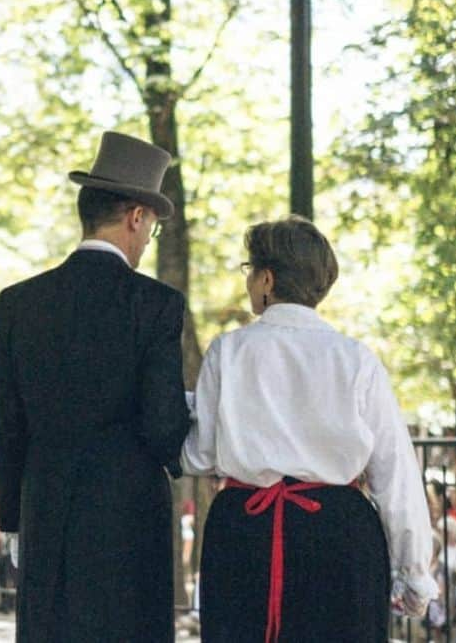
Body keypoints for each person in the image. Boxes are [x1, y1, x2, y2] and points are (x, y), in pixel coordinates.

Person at [182, 215, 435, 642]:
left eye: (249, 271)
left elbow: (200, 454)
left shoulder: (228, 352)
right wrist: (414, 573)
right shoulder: (355, 358)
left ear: (267, 278)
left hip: (245, 533)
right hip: (340, 535)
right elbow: (395, 472)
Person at [0, 132, 191, 641]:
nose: (148, 241)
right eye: (152, 230)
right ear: (136, 216)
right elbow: (162, 425)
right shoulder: (156, 305)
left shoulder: (18, 303)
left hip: (46, 507)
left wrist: (13, 514)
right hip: (130, 516)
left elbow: (8, 425)